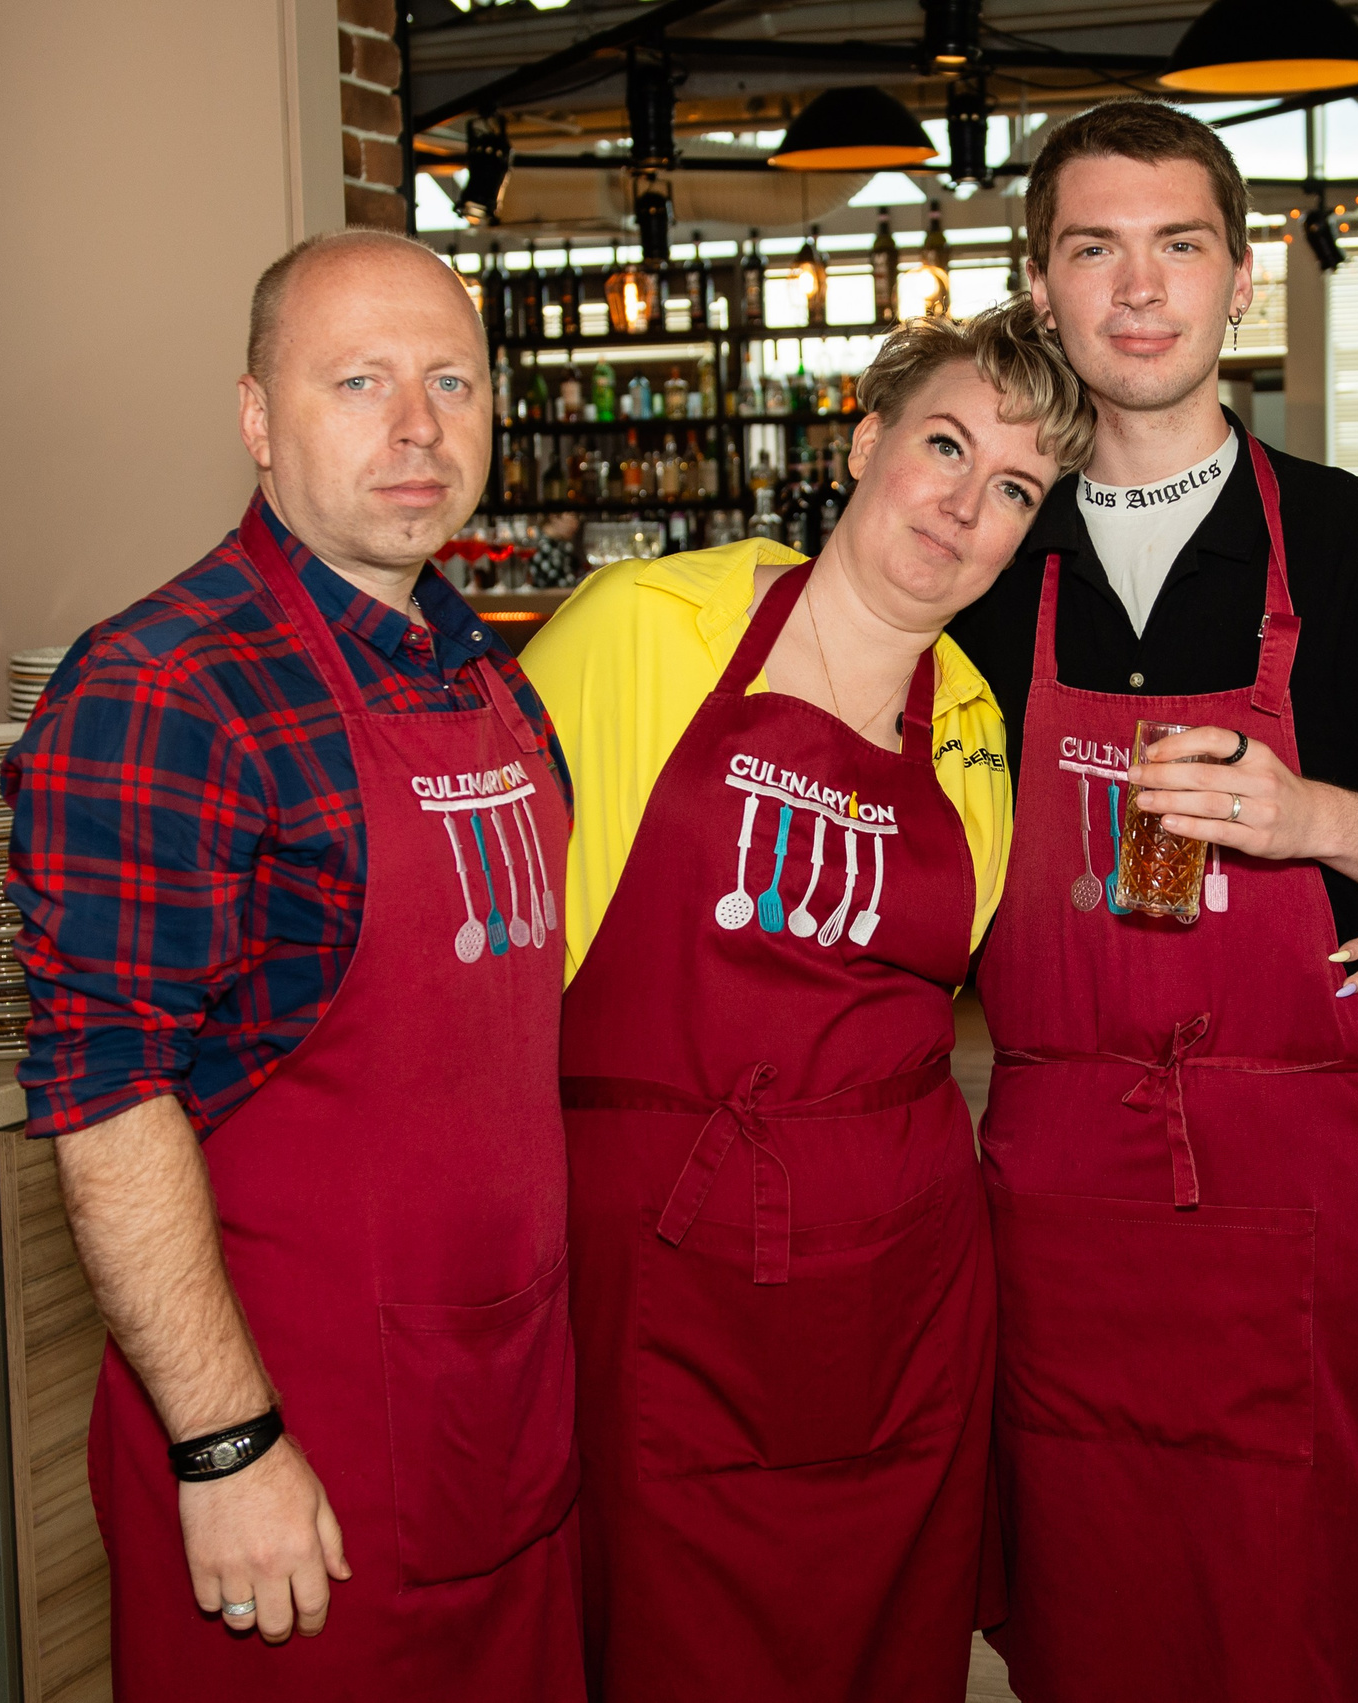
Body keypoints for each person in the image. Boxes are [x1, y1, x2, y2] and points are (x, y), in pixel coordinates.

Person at [945, 100, 1358, 1703]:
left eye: (1178, 245)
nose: (1139, 288)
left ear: (1240, 278)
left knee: (1320, 1603)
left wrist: (1321, 823)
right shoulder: (983, 562)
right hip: (1063, 1195)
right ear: (1042, 282)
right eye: (1094, 249)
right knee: (1094, 1598)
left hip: (1312, 1184)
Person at [6, 230, 581, 1697]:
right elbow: (107, 1097)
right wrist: (228, 1441)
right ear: (258, 417)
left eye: (453, 380)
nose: (417, 428)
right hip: (295, 1457)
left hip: (504, 1428)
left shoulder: (491, 675)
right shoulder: (164, 691)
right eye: (359, 382)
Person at [519, 301, 1090, 1701]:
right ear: (863, 440)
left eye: (1012, 489)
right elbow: (477, 949)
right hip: (661, 1272)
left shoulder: (972, 729)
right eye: (945, 446)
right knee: (665, 1638)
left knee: (886, 1641)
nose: (964, 507)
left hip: (902, 1290)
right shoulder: (642, 629)